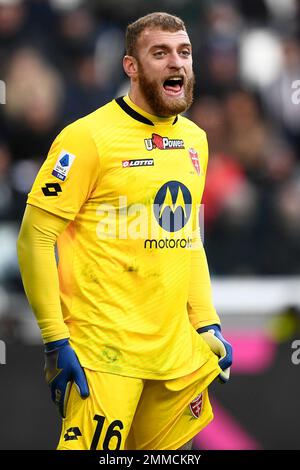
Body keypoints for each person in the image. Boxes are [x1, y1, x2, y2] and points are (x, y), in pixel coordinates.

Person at [17, 12, 232, 450]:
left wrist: (207, 323)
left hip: (174, 359)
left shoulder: (195, 141)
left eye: (184, 52)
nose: (177, 63)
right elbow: (35, 237)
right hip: (102, 356)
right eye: (161, 53)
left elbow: (187, 239)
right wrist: (55, 339)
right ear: (130, 67)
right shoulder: (87, 139)